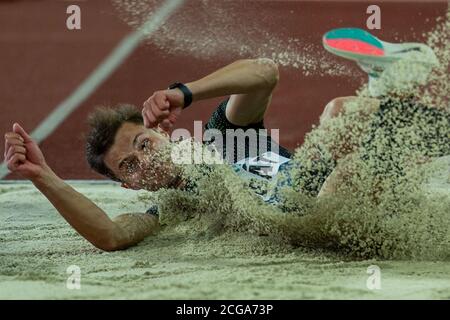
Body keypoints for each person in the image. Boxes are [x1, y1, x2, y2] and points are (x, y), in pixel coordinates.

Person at [4, 31, 448, 251]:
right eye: (131, 168)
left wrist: (182, 93)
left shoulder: (224, 139)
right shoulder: (169, 209)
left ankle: (383, 89)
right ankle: (382, 91)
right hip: (319, 217)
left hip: (330, 182)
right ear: (131, 187)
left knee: (339, 112)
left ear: (160, 132)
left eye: (142, 145)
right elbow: (112, 235)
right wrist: (43, 177)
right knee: (344, 174)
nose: (146, 161)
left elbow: (263, 73)